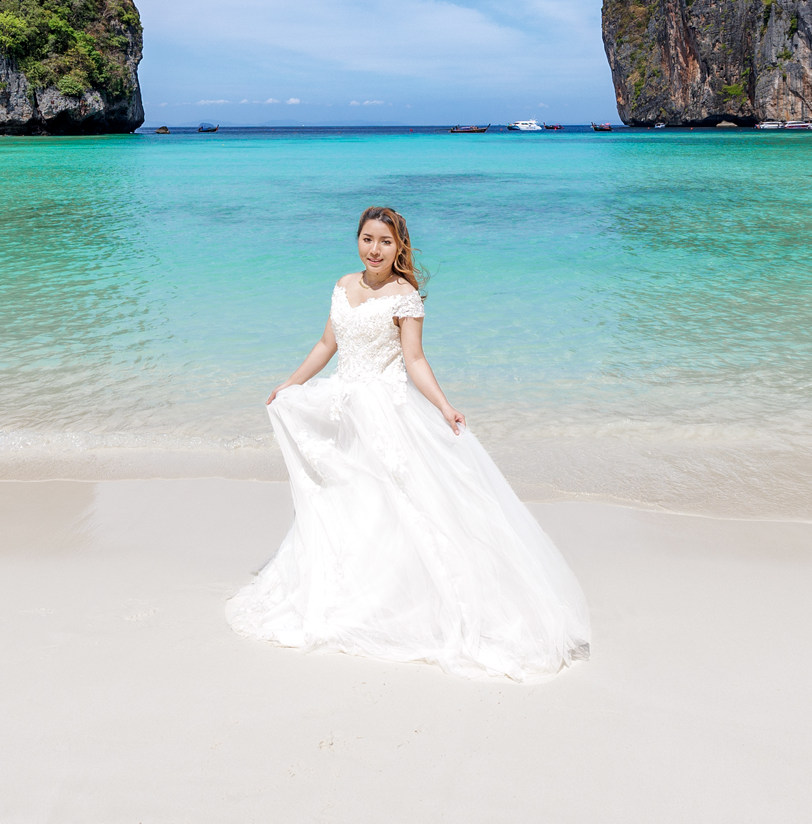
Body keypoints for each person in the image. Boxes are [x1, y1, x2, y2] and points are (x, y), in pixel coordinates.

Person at [225, 205, 591, 682]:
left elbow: (415, 360)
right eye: (367, 239)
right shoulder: (342, 285)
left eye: (385, 241)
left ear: (399, 247)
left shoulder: (405, 296)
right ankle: (348, 588)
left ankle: (395, 599)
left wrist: (444, 406)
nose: (375, 250)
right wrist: (291, 384)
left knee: (395, 504)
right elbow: (326, 345)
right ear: (357, 240)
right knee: (345, 500)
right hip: (343, 408)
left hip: (385, 412)